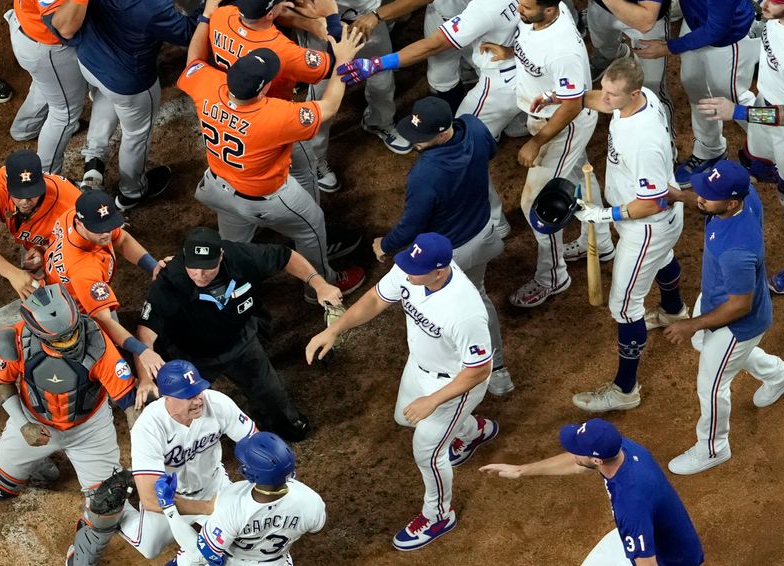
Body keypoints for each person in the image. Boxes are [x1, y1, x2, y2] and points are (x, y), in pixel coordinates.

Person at [338, 0, 545, 239]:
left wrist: (378, 64)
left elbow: (431, 45)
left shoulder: (484, 8)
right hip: (534, 69)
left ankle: (495, 223)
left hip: (502, 81)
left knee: (460, 146)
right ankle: (518, 123)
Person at [307, 232, 498, 551]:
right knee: (405, 418)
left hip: (454, 384)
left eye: (414, 268)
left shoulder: (465, 312)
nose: (406, 272)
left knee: (428, 452)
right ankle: (472, 430)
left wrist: (434, 400)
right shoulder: (413, 269)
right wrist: (334, 330)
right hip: (419, 365)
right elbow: (375, 299)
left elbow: (479, 370)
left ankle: (438, 515)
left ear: (439, 271)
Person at [181, 0, 368, 296]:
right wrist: (343, 57)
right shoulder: (276, 116)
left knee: (231, 246)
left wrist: (206, 16)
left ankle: (219, 288)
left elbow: (193, 63)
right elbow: (329, 105)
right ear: (264, 89)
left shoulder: (208, 84)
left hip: (217, 186)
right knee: (312, 226)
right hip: (266, 199)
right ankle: (320, 285)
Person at [0, 284, 137, 566]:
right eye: (62, 339)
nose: (73, 341)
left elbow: (130, 404)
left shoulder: (99, 345)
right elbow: (2, 383)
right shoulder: (17, 342)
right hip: (34, 421)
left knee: (108, 505)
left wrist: (142, 452)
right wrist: (23, 424)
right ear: (38, 334)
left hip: (89, 429)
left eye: (74, 331)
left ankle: (83, 556)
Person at [542, 58, 688, 413]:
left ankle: (625, 389)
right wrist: (556, 97)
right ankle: (674, 311)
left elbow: (652, 203)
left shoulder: (645, 142)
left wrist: (605, 215)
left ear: (633, 93)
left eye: (612, 94)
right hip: (655, 227)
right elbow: (598, 100)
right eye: (604, 89)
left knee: (623, 308)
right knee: (663, 259)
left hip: (646, 226)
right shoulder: (640, 99)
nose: (604, 98)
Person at [480, 0, 611, 308]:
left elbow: (572, 104)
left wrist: (537, 142)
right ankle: (601, 240)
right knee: (577, 175)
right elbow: (531, 47)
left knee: (536, 203)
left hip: (563, 125)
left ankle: (552, 276)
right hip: (545, 117)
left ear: (550, 10)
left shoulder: (563, 49)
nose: (519, 10)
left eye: (526, 7)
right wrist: (509, 52)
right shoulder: (541, 17)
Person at [137, 227, 344, 441]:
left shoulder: (239, 256)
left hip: (240, 340)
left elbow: (286, 256)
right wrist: (145, 379)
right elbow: (145, 332)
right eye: (193, 267)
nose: (200, 274)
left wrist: (319, 284)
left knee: (276, 402)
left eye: (208, 267)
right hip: (190, 356)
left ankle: (282, 426)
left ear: (221, 256)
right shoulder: (169, 281)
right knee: (181, 409)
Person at [371, 97, 514, 396]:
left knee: (448, 313)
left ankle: (457, 374)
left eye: (421, 138)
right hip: (483, 233)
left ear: (441, 133)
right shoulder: (472, 127)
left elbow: (411, 226)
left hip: (448, 256)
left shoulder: (426, 174)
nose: (414, 143)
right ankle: (498, 370)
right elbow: (492, 150)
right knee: (479, 296)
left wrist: (385, 244)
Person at [656, 161, 784, 474]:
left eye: (707, 195)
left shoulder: (737, 250)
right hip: (717, 298)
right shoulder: (745, 197)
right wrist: (680, 196)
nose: (700, 196)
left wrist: (691, 324)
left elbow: (740, 305)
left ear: (731, 203)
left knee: (711, 386)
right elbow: (707, 200)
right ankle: (779, 374)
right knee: (707, 348)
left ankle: (714, 448)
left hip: (736, 323)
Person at [208, 0, 377, 197]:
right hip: (271, 117)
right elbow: (332, 63)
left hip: (228, 110)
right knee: (302, 167)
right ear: (269, 13)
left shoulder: (221, 16)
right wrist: (332, 16)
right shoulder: (281, 50)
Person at [77, 0, 215, 208]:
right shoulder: (150, 1)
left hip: (90, 60)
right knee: (136, 133)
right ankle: (131, 191)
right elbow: (189, 33)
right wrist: (206, 9)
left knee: (105, 99)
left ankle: (93, 165)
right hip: (130, 82)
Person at [481, 418, 704, 565]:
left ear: (597, 460)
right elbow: (576, 462)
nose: (572, 451)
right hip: (663, 538)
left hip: (669, 559)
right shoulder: (621, 448)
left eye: (578, 449)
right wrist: (522, 470)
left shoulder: (630, 503)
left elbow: (646, 562)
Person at [634, 0, 757, 187]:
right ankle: (709, 150)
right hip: (697, 24)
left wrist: (670, 47)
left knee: (731, 99)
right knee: (695, 87)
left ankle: (769, 144)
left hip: (726, 43)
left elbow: (717, 30)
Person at [290, 0, 400, 191]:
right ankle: (314, 159)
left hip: (371, 21)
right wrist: (327, 21)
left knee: (383, 78)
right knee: (323, 97)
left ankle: (379, 122)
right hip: (329, 33)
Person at [705, 0, 784, 292]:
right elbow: (768, 1)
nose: (764, 4)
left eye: (772, 1)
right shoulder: (776, 14)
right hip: (768, 110)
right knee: (756, 161)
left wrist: (737, 111)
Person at [118, 360, 257, 558]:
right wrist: (206, 508)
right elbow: (150, 499)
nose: (198, 400)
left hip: (213, 486)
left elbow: (254, 443)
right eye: (188, 396)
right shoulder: (149, 426)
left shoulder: (217, 403)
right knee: (149, 548)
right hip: (171, 498)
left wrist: (262, 468)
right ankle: (122, 512)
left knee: (242, 544)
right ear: (167, 397)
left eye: (198, 392)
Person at [43, 189, 166, 399]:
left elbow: (122, 239)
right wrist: (142, 350)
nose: (106, 233)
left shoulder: (76, 215)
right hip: (77, 316)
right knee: (106, 368)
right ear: (80, 225)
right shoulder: (83, 269)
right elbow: (105, 321)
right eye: (100, 229)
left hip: (73, 288)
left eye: (109, 225)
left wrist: (152, 266)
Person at [7, 0, 103, 174]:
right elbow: (66, 27)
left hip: (26, 29)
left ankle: (24, 128)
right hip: (47, 49)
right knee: (66, 113)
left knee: (48, 86)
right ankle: (48, 177)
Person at [167, 432, 326, 566]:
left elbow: (203, 555)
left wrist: (168, 508)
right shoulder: (311, 501)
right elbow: (315, 528)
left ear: (249, 473)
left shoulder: (231, 501)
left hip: (235, 561)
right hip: (277, 562)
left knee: (189, 559)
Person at [561, 0, 672, 123]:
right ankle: (612, 55)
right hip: (599, 5)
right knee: (602, 44)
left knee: (651, 85)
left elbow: (646, 21)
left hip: (641, 13)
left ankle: (662, 130)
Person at [0, 149, 80, 300]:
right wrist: (11, 272)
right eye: (18, 194)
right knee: (36, 298)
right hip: (36, 242)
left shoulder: (69, 203)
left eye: (31, 194)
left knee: (78, 299)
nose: (24, 202)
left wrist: (47, 250)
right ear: (7, 184)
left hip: (72, 249)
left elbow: (84, 247)